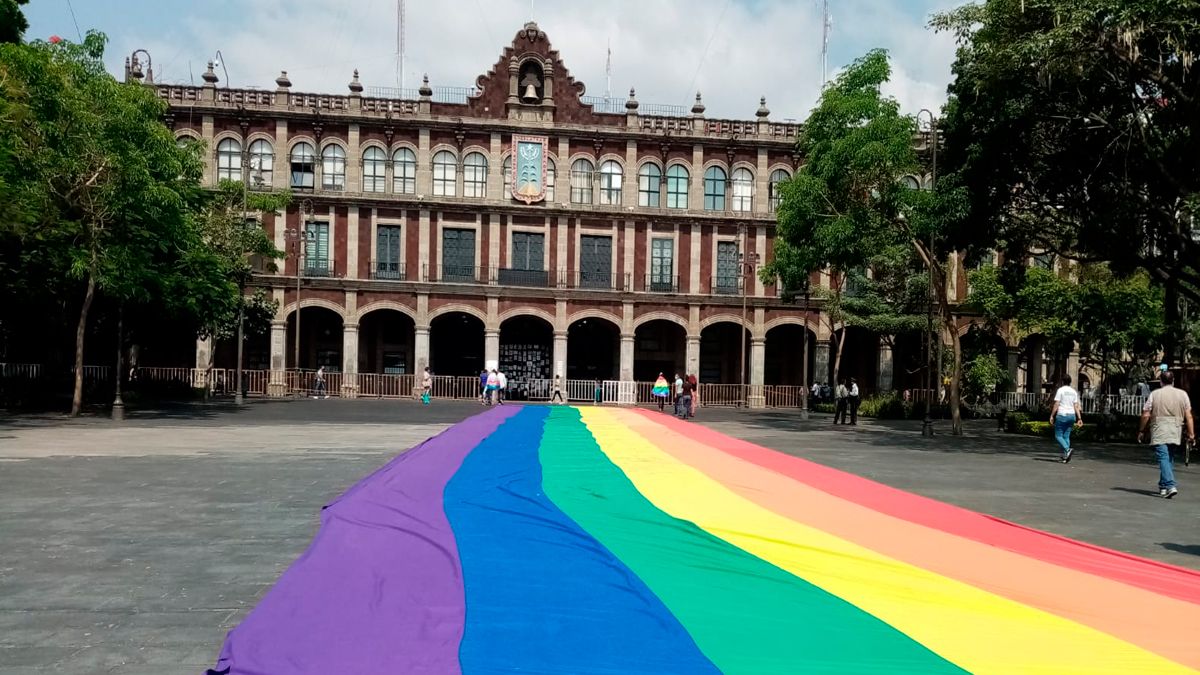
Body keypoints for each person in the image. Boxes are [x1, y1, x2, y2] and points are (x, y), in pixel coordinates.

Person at [1138, 370, 1194, 499]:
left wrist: (1141, 430)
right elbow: (1189, 416)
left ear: (1161, 381)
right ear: (1173, 381)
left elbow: (1146, 414)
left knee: (1163, 456)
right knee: (1169, 457)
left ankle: (1169, 485)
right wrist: (1191, 434)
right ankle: (1163, 486)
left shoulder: (1155, 394)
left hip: (1159, 428)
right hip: (1176, 428)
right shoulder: (1182, 394)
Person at [1049, 374, 1083, 463]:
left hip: (1062, 415)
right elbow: (1076, 406)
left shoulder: (1060, 390)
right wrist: (1079, 418)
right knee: (1066, 436)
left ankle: (1067, 450)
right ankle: (1066, 456)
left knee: (1058, 435)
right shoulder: (1074, 392)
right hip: (1072, 415)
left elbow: (1056, 404)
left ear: (1062, 381)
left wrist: (1052, 415)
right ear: (1070, 382)